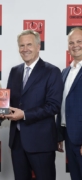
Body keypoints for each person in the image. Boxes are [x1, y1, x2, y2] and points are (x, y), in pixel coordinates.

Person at [5, 29, 63, 180]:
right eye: (21, 45)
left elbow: (53, 106)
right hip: (17, 142)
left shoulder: (52, 71)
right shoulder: (14, 71)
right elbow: (10, 102)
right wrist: (0, 111)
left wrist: (24, 115)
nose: (25, 49)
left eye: (29, 45)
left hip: (41, 143)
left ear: (38, 46)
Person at [56, 27, 82, 180]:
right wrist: (59, 134)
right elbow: (62, 105)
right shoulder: (65, 72)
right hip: (68, 136)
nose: (75, 45)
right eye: (71, 42)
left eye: (79, 41)